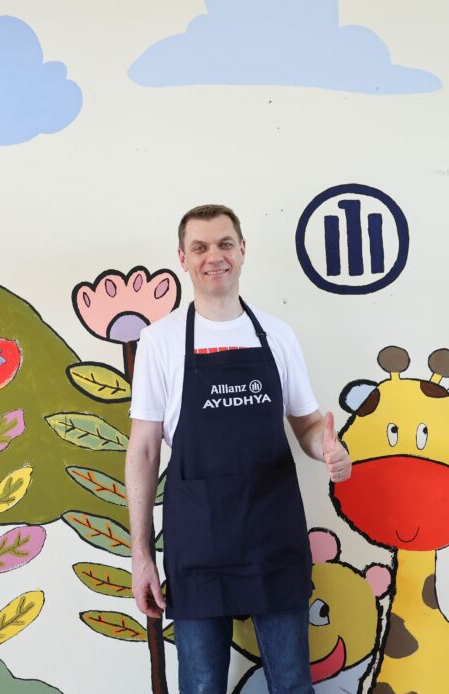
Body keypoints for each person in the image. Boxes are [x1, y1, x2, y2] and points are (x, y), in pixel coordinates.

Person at [126, 204, 352, 693]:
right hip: (198, 545)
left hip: (273, 537)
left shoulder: (277, 335)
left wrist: (328, 449)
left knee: (291, 683)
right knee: (201, 685)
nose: (215, 256)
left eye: (225, 244)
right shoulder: (159, 342)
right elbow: (143, 451)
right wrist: (141, 553)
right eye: (200, 247)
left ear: (243, 250)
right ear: (182, 258)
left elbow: (308, 424)